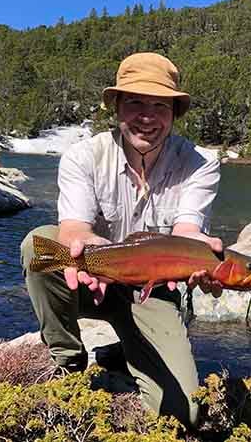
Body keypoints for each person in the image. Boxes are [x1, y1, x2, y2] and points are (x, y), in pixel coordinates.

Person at [20, 52, 224, 428]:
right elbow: (74, 230)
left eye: (160, 106)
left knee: (183, 413)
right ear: (115, 106)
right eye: (135, 103)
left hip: (153, 290)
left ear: (175, 113)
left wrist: (200, 257)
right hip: (93, 277)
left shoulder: (200, 163)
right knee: (40, 243)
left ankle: (122, 349)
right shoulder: (83, 156)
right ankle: (68, 360)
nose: (147, 117)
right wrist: (92, 256)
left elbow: (186, 232)